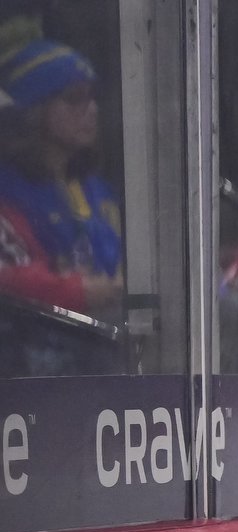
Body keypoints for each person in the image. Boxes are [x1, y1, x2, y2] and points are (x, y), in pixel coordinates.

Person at [0, 30, 122, 321]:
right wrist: (79, 292)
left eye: (92, 97)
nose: (92, 110)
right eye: (74, 98)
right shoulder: (7, 196)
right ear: (33, 109)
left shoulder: (99, 192)